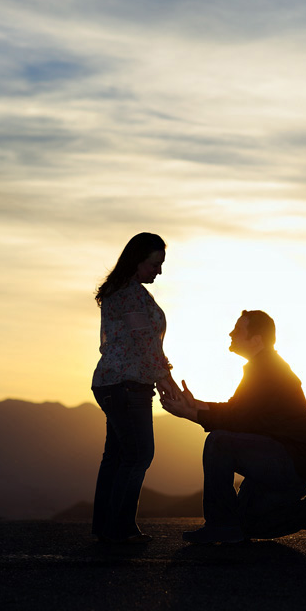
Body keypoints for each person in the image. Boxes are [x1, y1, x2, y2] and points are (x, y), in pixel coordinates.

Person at [160, 309, 306, 544]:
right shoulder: (263, 367)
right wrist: (195, 405)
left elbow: (235, 418)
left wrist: (190, 413)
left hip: (290, 463)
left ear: (256, 340)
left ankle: (221, 525)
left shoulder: (267, 370)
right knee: (248, 524)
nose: (231, 333)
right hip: (288, 463)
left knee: (219, 442)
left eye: (237, 330)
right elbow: (238, 411)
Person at [91, 233, 180, 544]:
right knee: (139, 454)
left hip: (116, 383)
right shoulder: (130, 294)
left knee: (117, 456)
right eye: (155, 264)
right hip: (127, 386)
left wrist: (161, 375)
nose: (159, 271)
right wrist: (166, 380)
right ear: (138, 260)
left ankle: (107, 527)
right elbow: (145, 342)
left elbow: (145, 344)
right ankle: (120, 528)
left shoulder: (127, 291)